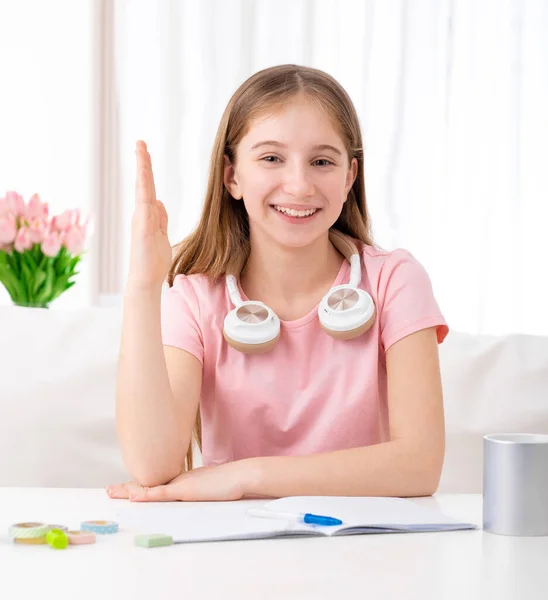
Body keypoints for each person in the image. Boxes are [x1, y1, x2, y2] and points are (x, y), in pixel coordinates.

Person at [107, 64, 448, 504]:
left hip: (368, 553)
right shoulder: (196, 298)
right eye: (271, 158)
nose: (299, 184)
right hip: (237, 557)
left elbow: (419, 465)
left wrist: (247, 477)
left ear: (349, 177)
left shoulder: (395, 281)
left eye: (322, 161)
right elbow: (152, 466)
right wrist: (142, 285)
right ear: (232, 176)